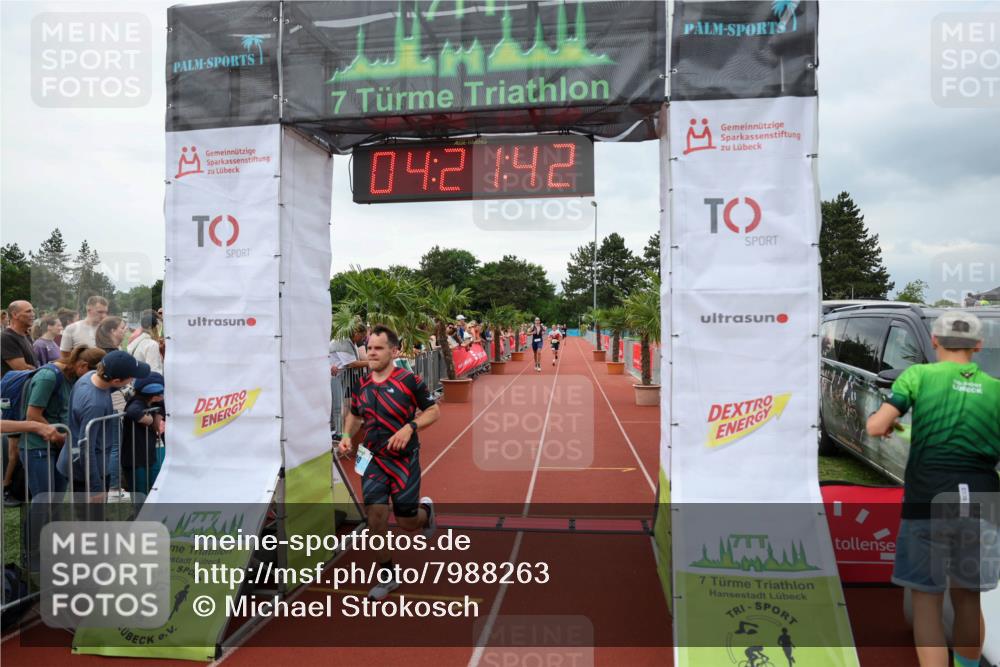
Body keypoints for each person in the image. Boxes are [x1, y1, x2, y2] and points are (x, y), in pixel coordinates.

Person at [866, 311, 1000, 667]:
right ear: (979, 345)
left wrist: (890, 425)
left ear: (935, 341)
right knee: (968, 598)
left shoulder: (918, 375)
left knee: (927, 600)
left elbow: (877, 426)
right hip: (982, 500)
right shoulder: (997, 389)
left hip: (928, 498)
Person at [337, 325, 440, 600]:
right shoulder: (362, 385)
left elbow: (434, 410)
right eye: (369, 348)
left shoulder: (410, 381)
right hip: (371, 459)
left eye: (378, 348)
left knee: (407, 522)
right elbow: (356, 416)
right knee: (376, 518)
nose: (372, 352)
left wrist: (410, 427)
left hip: (403, 459)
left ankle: (426, 513)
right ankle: (387, 575)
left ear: (394, 351)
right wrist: (347, 435)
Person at [57, 351, 150, 498]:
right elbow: (86, 448)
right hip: (87, 472)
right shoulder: (95, 404)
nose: (132, 380)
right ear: (117, 381)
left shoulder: (91, 375)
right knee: (91, 518)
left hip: (84, 464)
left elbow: (113, 390)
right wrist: (95, 487)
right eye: (131, 377)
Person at [20, 346, 105, 497]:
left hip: (59, 445)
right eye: (93, 373)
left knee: (57, 500)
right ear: (83, 366)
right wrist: (58, 437)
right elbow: (32, 415)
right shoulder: (48, 377)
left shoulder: (74, 378)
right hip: (38, 447)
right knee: (44, 500)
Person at [2, 300, 37, 506]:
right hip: (13, 395)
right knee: (13, 448)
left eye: (33, 310)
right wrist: (33, 368)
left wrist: (33, 368)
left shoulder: (26, 335)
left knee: (22, 444)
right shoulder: (6, 337)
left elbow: (31, 368)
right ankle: (6, 489)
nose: (32, 314)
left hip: (25, 393)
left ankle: (18, 487)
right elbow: (21, 368)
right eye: (28, 311)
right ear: (15, 315)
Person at [121, 372, 164, 497]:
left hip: (147, 454)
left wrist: (158, 414)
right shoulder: (137, 402)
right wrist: (149, 420)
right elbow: (132, 411)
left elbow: (157, 424)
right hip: (134, 458)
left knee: (152, 487)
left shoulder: (155, 403)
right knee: (140, 491)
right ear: (154, 395)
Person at [329, 324, 368, 441]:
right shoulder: (343, 341)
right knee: (337, 405)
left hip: (339, 375)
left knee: (337, 404)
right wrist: (372, 363)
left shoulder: (349, 342)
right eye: (362, 336)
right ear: (356, 333)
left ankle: (337, 431)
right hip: (333, 376)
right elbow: (352, 363)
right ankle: (337, 432)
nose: (363, 339)